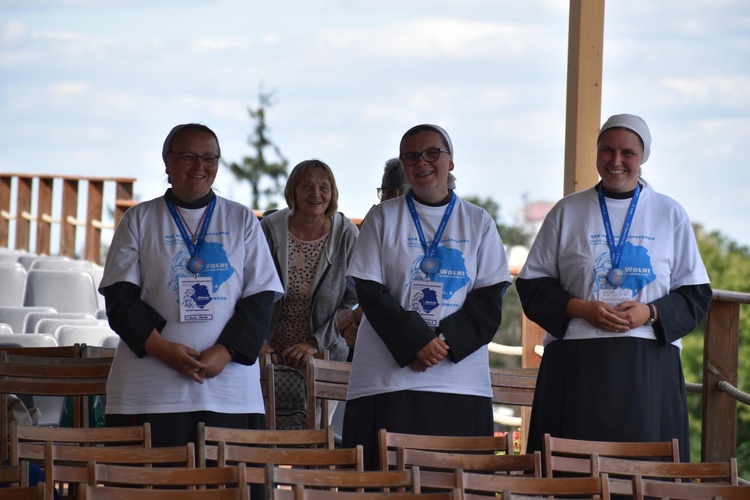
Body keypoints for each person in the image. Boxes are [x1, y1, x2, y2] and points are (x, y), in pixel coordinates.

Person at [515, 114, 711, 462]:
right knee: (571, 470)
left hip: (647, 365)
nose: (616, 161)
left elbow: (695, 294)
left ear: (643, 156)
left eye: (627, 153)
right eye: (607, 150)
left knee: (643, 472)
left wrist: (650, 312)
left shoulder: (669, 213)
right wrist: (580, 308)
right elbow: (533, 285)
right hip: (576, 363)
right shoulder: (568, 211)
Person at [99, 123, 284, 448]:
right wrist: (161, 348)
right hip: (150, 389)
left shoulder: (241, 219)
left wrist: (224, 352)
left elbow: (261, 296)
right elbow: (119, 296)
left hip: (229, 391)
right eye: (188, 156)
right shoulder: (139, 219)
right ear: (167, 162)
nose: (200, 166)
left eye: (209, 158)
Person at [342, 124, 512, 470]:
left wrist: (441, 342)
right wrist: (416, 342)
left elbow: (489, 299)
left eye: (432, 153)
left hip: (459, 382)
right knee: (384, 486)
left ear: (450, 162)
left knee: (453, 485)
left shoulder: (478, 221)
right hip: (386, 380)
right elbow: (371, 291)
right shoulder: (382, 217)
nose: (422, 163)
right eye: (411, 156)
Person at [259, 159, 359, 369]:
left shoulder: (347, 235)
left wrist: (315, 343)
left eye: (323, 187)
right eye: (306, 186)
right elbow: (247, 290)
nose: (315, 194)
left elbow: (356, 302)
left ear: (332, 193)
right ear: (292, 191)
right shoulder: (268, 229)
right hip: (267, 358)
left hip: (325, 359)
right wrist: (257, 341)